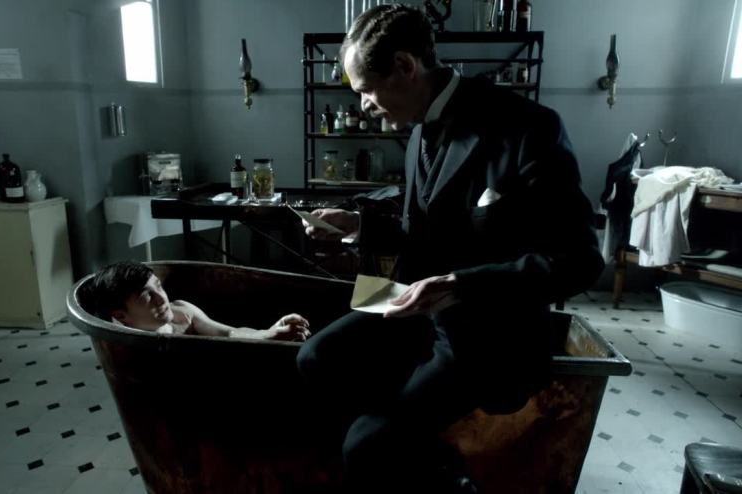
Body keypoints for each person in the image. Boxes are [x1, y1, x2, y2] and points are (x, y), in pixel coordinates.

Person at [296, 4, 604, 493]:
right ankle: (427, 456)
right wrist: (357, 225)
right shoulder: (419, 128)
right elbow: (425, 228)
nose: (364, 106)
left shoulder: (529, 127)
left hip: (486, 334)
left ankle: (441, 475)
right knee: (313, 358)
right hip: (416, 309)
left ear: (405, 66)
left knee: (365, 445)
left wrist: (462, 285)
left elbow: (581, 261)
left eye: (367, 91)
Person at [87, 261, 311, 341]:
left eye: (158, 286)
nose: (161, 298)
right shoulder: (127, 345)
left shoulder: (182, 312)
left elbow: (228, 334)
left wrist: (269, 333)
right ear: (120, 315)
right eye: (146, 296)